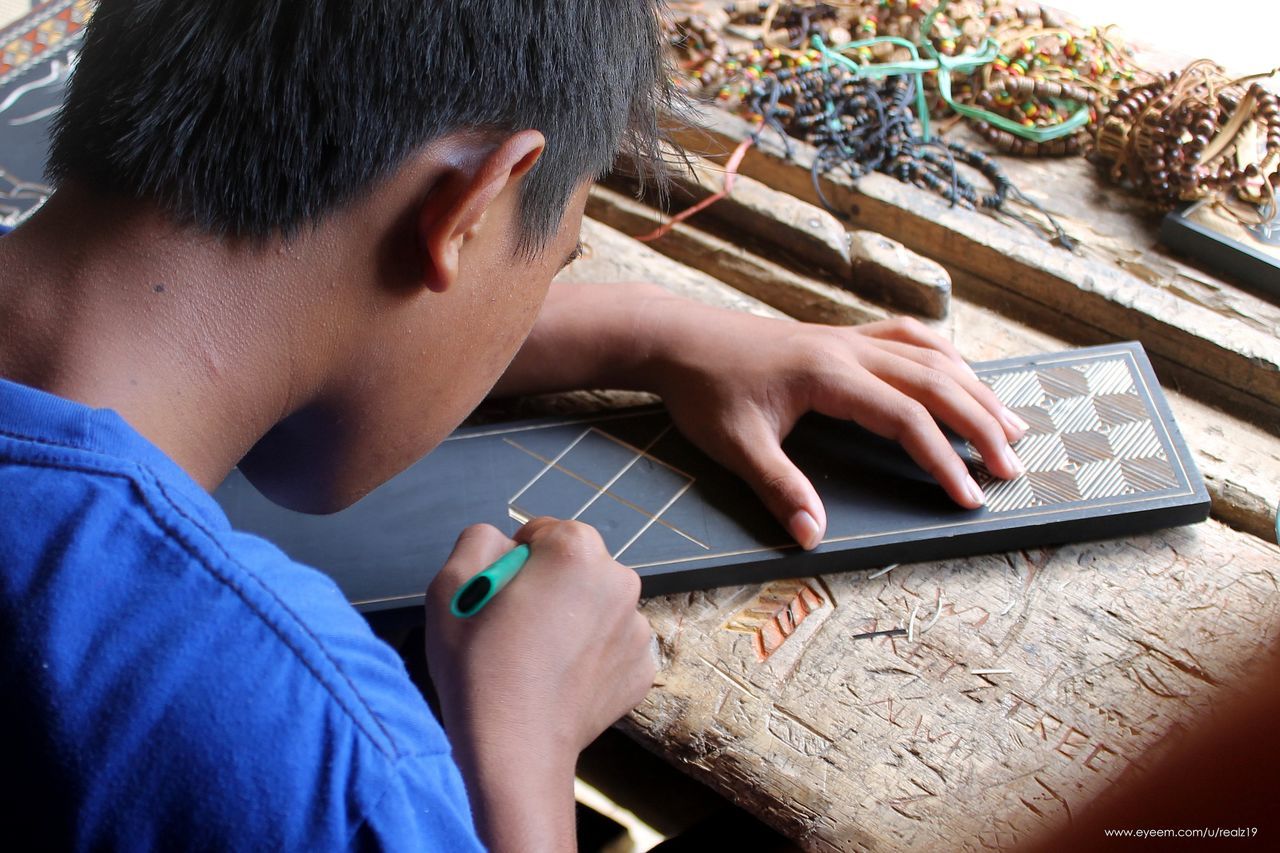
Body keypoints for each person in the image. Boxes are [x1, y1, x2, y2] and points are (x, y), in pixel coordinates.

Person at [0, 1, 1027, 849]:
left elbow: (321, 308)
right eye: (556, 255)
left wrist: (650, 329)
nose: (536, 297)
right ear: (475, 205)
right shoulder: (320, 750)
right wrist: (520, 758)